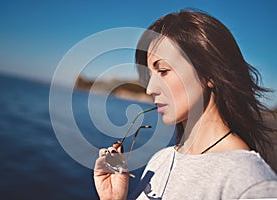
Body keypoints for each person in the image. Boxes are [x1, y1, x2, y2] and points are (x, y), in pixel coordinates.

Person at [93, 9, 277, 199]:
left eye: (163, 70)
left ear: (210, 74)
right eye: (150, 75)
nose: (149, 89)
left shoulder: (250, 182)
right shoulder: (160, 160)